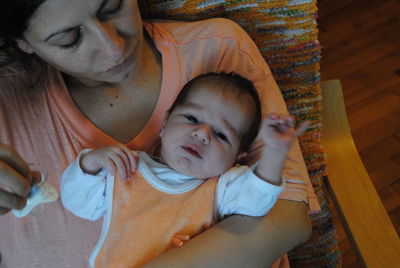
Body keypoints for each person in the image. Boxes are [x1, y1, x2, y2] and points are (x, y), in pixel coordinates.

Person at [0, 0, 319, 267]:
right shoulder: (8, 105)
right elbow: (79, 198)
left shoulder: (218, 54)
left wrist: (276, 153)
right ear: (23, 42)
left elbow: (288, 216)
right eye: (69, 39)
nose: (113, 49)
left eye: (113, 7)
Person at [60, 72, 308, 267]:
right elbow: (77, 203)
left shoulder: (223, 187)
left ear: (237, 157)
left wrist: (274, 153)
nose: (202, 134)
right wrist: (89, 164)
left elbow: (257, 201)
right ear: (165, 122)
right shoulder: (127, 168)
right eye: (191, 118)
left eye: (221, 135)